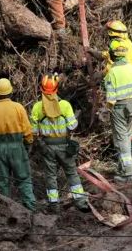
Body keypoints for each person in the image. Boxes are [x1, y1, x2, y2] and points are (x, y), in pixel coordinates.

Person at [30, 74, 89, 213]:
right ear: (57, 88)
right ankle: (80, 202)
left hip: (47, 147)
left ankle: (54, 205)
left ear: (41, 89)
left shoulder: (37, 107)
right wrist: (75, 117)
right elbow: (73, 126)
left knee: (51, 176)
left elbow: (33, 131)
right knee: (72, 173)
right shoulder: (65, 105)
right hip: (64, 146)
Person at [0, 78, 36, 210]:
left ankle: (6, 210)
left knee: (3, 181)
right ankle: (30, 208)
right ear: (10, 92)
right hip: (17, 146)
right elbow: (27, 130)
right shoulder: (18, 108)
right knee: (23, 178)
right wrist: (29, 143)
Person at [103, 40, 132, 183]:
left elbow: (110, 99)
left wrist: (107, 111)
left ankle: (128, 175)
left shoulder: (112, 73)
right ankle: (123, 169)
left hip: (119, 109)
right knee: (127, 135)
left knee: (121, 141)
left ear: (113, 56)